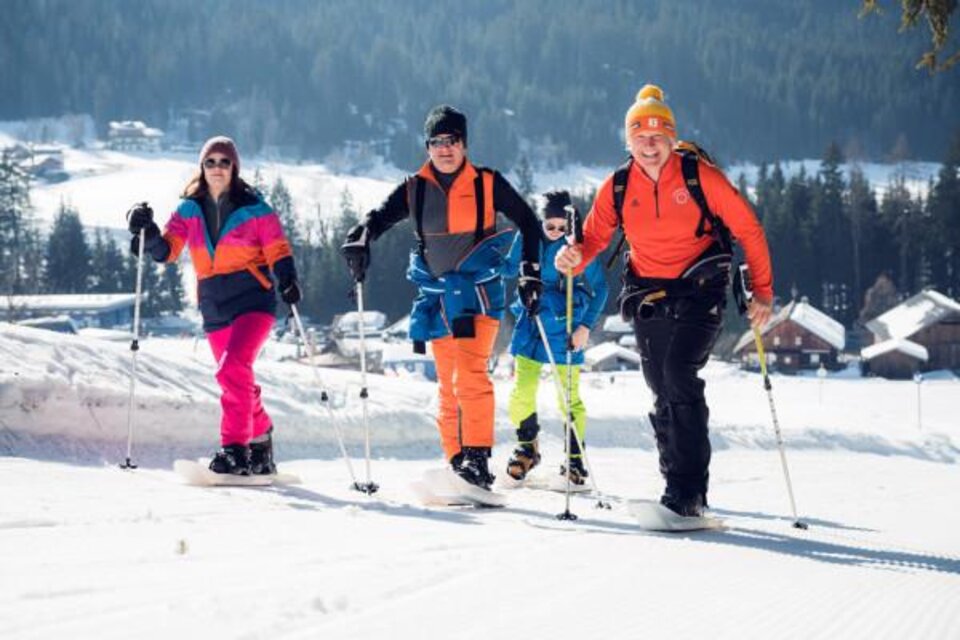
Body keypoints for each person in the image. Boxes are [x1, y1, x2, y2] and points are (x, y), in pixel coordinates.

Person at [555, 85, 774, 517]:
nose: (649, 145)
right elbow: (594, 239)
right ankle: (676, 483)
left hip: (701, 286)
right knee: (660, 388)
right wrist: (573, 258)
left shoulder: (699, 177)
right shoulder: (618, 185)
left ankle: (687, 491)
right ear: (628, 141)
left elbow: (749, 229)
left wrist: (763, 292)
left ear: (672, 139)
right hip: (648, 290)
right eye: (640, 136)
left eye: (658, 136)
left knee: (679, 373)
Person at [340, 105, 542, 491]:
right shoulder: (415, 187)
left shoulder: (488, 183)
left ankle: (478, 461)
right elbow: (379, 216)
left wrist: (530, 271)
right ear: (428, 146)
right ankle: (457, 462)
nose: (445, 149)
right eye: (437, 142)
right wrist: (363, 235)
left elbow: (529, 222)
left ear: (464, 144)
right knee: (447, 387)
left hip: (478, 296)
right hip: (436, 300)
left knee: (469, 376)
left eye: (452, 141)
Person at [126, 136, 301, 476]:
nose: (217, 168)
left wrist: (288, 279)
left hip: (254, 300)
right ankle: (261, 438)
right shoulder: (188, 210)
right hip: (214, 304)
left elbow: (277, 249)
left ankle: (235, 449)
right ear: (202, 168)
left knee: (232, 367)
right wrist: (146, 231)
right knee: (235, 378)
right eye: (211, 162)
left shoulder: (255, 209)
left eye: (224, 162)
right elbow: (167, 251)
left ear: (234, 167)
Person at [503, 190, 608, 485]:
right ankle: (527, 447)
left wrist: (585, 327)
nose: (557, 234)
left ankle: (574, 459)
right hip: (531, 322)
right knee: (522, 392)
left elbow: (601, 289)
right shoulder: (529, 238)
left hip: (566, 328)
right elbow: (508, 267)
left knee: (568, 398)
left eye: (564, 228)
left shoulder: (579, 247)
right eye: (551, 227)